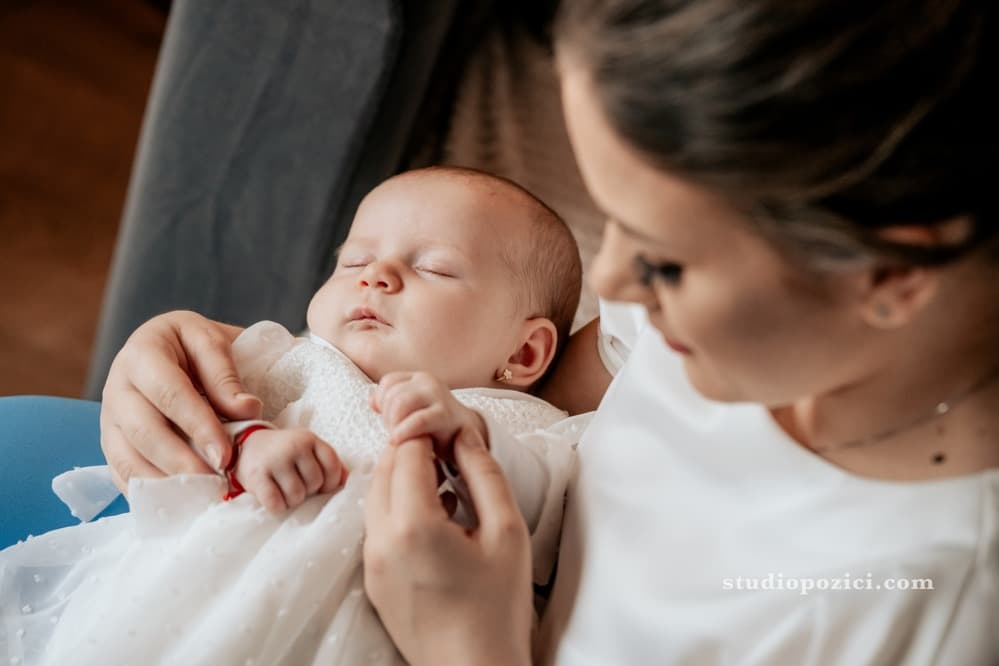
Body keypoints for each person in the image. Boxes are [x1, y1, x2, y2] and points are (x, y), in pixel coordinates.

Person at [96, 0, 998, 664]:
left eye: (665, 260)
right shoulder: (678, 335)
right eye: (615, 223)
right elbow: (518, 417)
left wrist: (471, 652)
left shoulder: (921, 608)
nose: (611, 289)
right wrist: (208, 364)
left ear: (887, 275)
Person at [0, 167, 584, 665]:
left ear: (523, 352)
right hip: (203, 598)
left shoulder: (530, 427)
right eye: (353, 259)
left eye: (434, 267)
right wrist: (249, 444)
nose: (375, 275)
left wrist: (473, 439)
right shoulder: (298, 361)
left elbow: (541, 514)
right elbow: (200, 430)